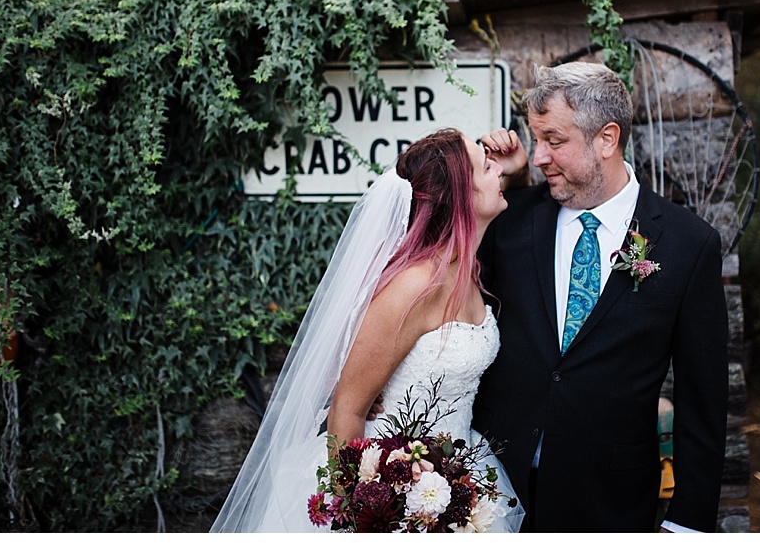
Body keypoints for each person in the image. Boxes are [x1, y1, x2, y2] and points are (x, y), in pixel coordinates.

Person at [211, 128, 525, 532]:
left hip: (455, 474)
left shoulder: (467, 269)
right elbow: (348, 408)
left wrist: (513, 170)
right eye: (487, 166)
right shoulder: (415, 287)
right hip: (388, 485)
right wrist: (357, 517)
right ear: (462, 196)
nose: (497, 168)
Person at [473, 62, 728, 533]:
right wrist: (503, 177)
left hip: (611, 502)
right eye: (535, 140)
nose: (539, 156)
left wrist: (687, 523)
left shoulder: (688, 245)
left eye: (554, 140)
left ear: (606, 139)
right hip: (490, 490)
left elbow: (703, 398)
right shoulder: (508, 220)